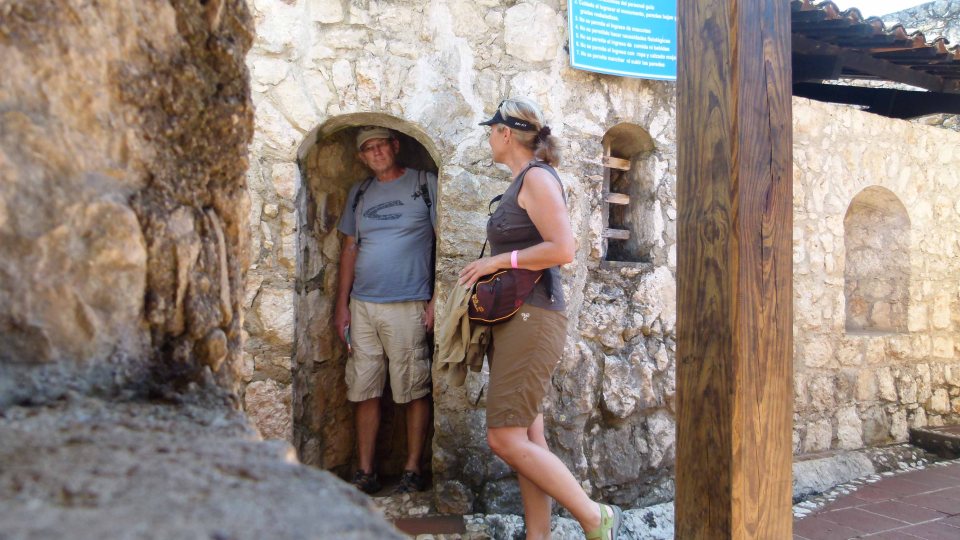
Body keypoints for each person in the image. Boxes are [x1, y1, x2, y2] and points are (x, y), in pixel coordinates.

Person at [458, 99, 623, 540]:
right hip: (517, 317)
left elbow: (563, 248)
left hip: (531, 318)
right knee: (530, 440)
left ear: (505, 133)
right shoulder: (524, 180)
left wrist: (497, 261)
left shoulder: (536, 178)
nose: (488, 138)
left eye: (491, 130)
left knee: (504, 438)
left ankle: (595, 516)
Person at [335, 126, 437, 495]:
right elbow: (350, 248)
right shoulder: (360, 192)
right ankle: (365, 471)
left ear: (395, 146)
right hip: (362, 306)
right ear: (361, 157)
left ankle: (412, 470)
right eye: (368, 149)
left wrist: (437, 300)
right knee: (364, 388)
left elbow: (447, 239)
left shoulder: (424, 184)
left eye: (381, 145)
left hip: (408, 302)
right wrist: (342, 305)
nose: (376, 152)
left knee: (412, 387)